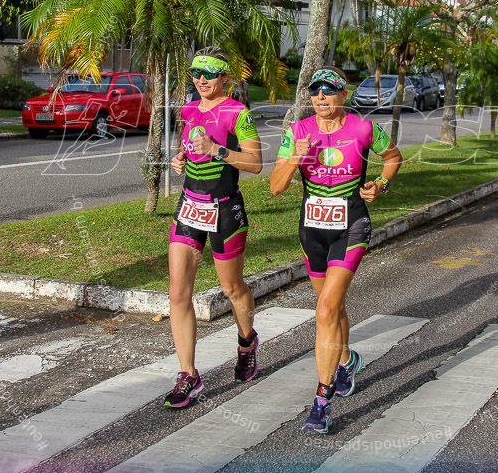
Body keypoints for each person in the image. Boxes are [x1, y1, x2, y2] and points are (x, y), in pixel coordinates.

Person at [270, 67, 402, 434]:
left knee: (325, 309)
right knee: (334, 306)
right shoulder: (298, 131)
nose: (321, 97)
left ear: (343, 95)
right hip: (312, 229)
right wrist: (296, 156)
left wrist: (379, 184)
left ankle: (321, 403)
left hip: (351, 225)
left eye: (330, 91)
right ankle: (346, 360)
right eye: (316, 92)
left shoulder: (361, 128)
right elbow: (276, 187)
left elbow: (393, 158)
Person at [165, 47, 263, 408]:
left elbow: (255, 164)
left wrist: (218, 150)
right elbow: (191, 149)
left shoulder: (239, 114)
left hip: (224, 209)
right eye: (195, 73)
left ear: (225, 78)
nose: (201, 80)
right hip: (190, 206)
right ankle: (188, 374)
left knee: (232, 288)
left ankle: (246, 340)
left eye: (209, 73)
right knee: (178, 293)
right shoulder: (188, 109)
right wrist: (180, 160)